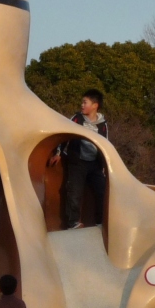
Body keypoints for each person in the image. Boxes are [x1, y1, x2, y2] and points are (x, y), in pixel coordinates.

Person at [47, 89, 108, 230]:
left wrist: (104, 165)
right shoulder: (77, 119)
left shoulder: (102, 124)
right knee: (74, 191)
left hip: (94, 163)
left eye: (85, 102)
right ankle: (73, 222)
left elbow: (105, 144)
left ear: (95, 105)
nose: (82, 105)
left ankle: (100, 222)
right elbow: (64, 134)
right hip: (78, 161)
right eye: (82, 102)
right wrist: (58, 153)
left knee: (102, 190)